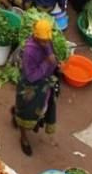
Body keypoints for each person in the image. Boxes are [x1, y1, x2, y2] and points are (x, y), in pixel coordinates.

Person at [13, 19, 61, 155]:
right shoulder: (29, 51)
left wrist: (55, 62)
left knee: (42, 109)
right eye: (43, 41)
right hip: (30, 87)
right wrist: (47, 62)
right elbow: (31, 76)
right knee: (25, 113)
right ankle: (23, 138)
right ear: (36, 36)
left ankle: (16, 112)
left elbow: (50, 53)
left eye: (47, 40)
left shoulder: (46, 41)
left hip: (44, 86)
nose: (46, 44)